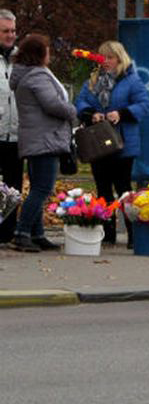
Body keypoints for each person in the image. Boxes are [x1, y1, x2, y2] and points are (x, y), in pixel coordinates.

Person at [74, 40, 149, 247]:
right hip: (98, 143)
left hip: (123, 143)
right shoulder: (93, 80)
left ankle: (134, 235)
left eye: (109, 57)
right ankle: (108, 234)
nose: (105, 61)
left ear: (119, 58)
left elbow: (144, 105)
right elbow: (80, 102)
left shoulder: (132, 80)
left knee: (124, 189)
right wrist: (91, 114)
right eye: (102, 57)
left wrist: (122, 114)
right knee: (103, 190)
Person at [7, 33, 75, 252]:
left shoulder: (26, 74)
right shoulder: (37, 75)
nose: (50, 54)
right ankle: (22, 231)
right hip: (44, 139)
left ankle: (37, 234)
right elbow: (52, 104)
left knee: (38, 186)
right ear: (39, 53)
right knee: (43, 189)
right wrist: (73, 111)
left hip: (36, 138)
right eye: (47, 49)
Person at [0, 10, 21, 245]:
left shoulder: (21, 58)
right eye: (5, 31)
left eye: (13, 31)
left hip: (17, 134)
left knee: (13, 186)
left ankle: (7, 232)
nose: (11, 35)